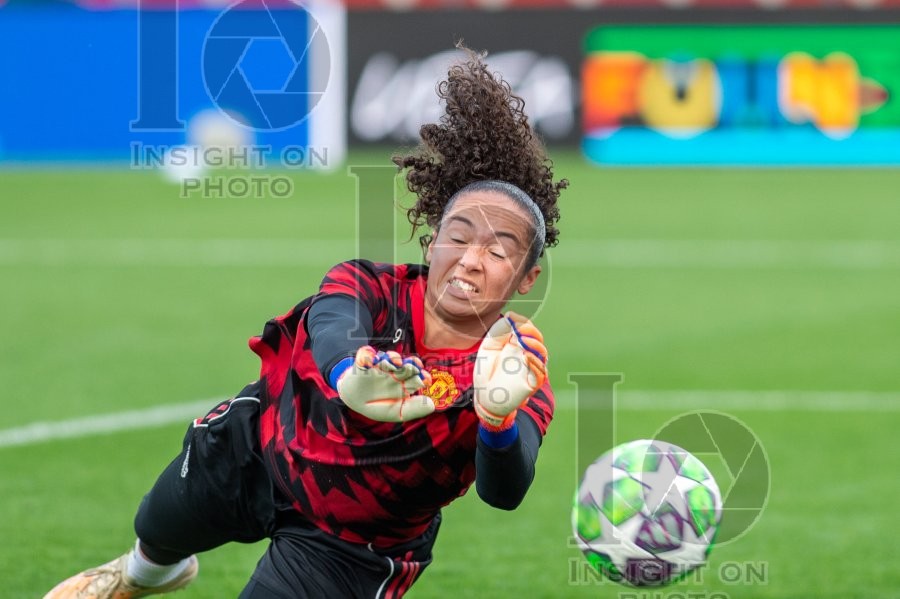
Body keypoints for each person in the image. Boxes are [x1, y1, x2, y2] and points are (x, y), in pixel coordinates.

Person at [45, 46, 568, 599]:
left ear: (527, 278)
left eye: (498, 250)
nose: (469, 259)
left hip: (352, 543)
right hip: (259, 449)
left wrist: (497, 420)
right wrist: (350, 374)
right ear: (434, 239)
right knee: (156, 526)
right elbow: (332, 321)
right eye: (458, 238)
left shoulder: (517, 368)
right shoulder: (371, 284)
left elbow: (505, 492)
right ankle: (144, 575)